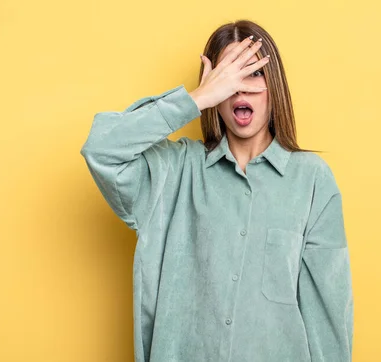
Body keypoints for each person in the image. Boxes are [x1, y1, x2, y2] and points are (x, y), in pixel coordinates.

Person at [80, 19, 353, 362]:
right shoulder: (174, 171)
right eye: (228, 74)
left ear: (274, 87)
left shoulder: (313, 180)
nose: (239, 88)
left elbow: (327, 313)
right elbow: (102, 149)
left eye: (252, 72)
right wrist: (196, 99)